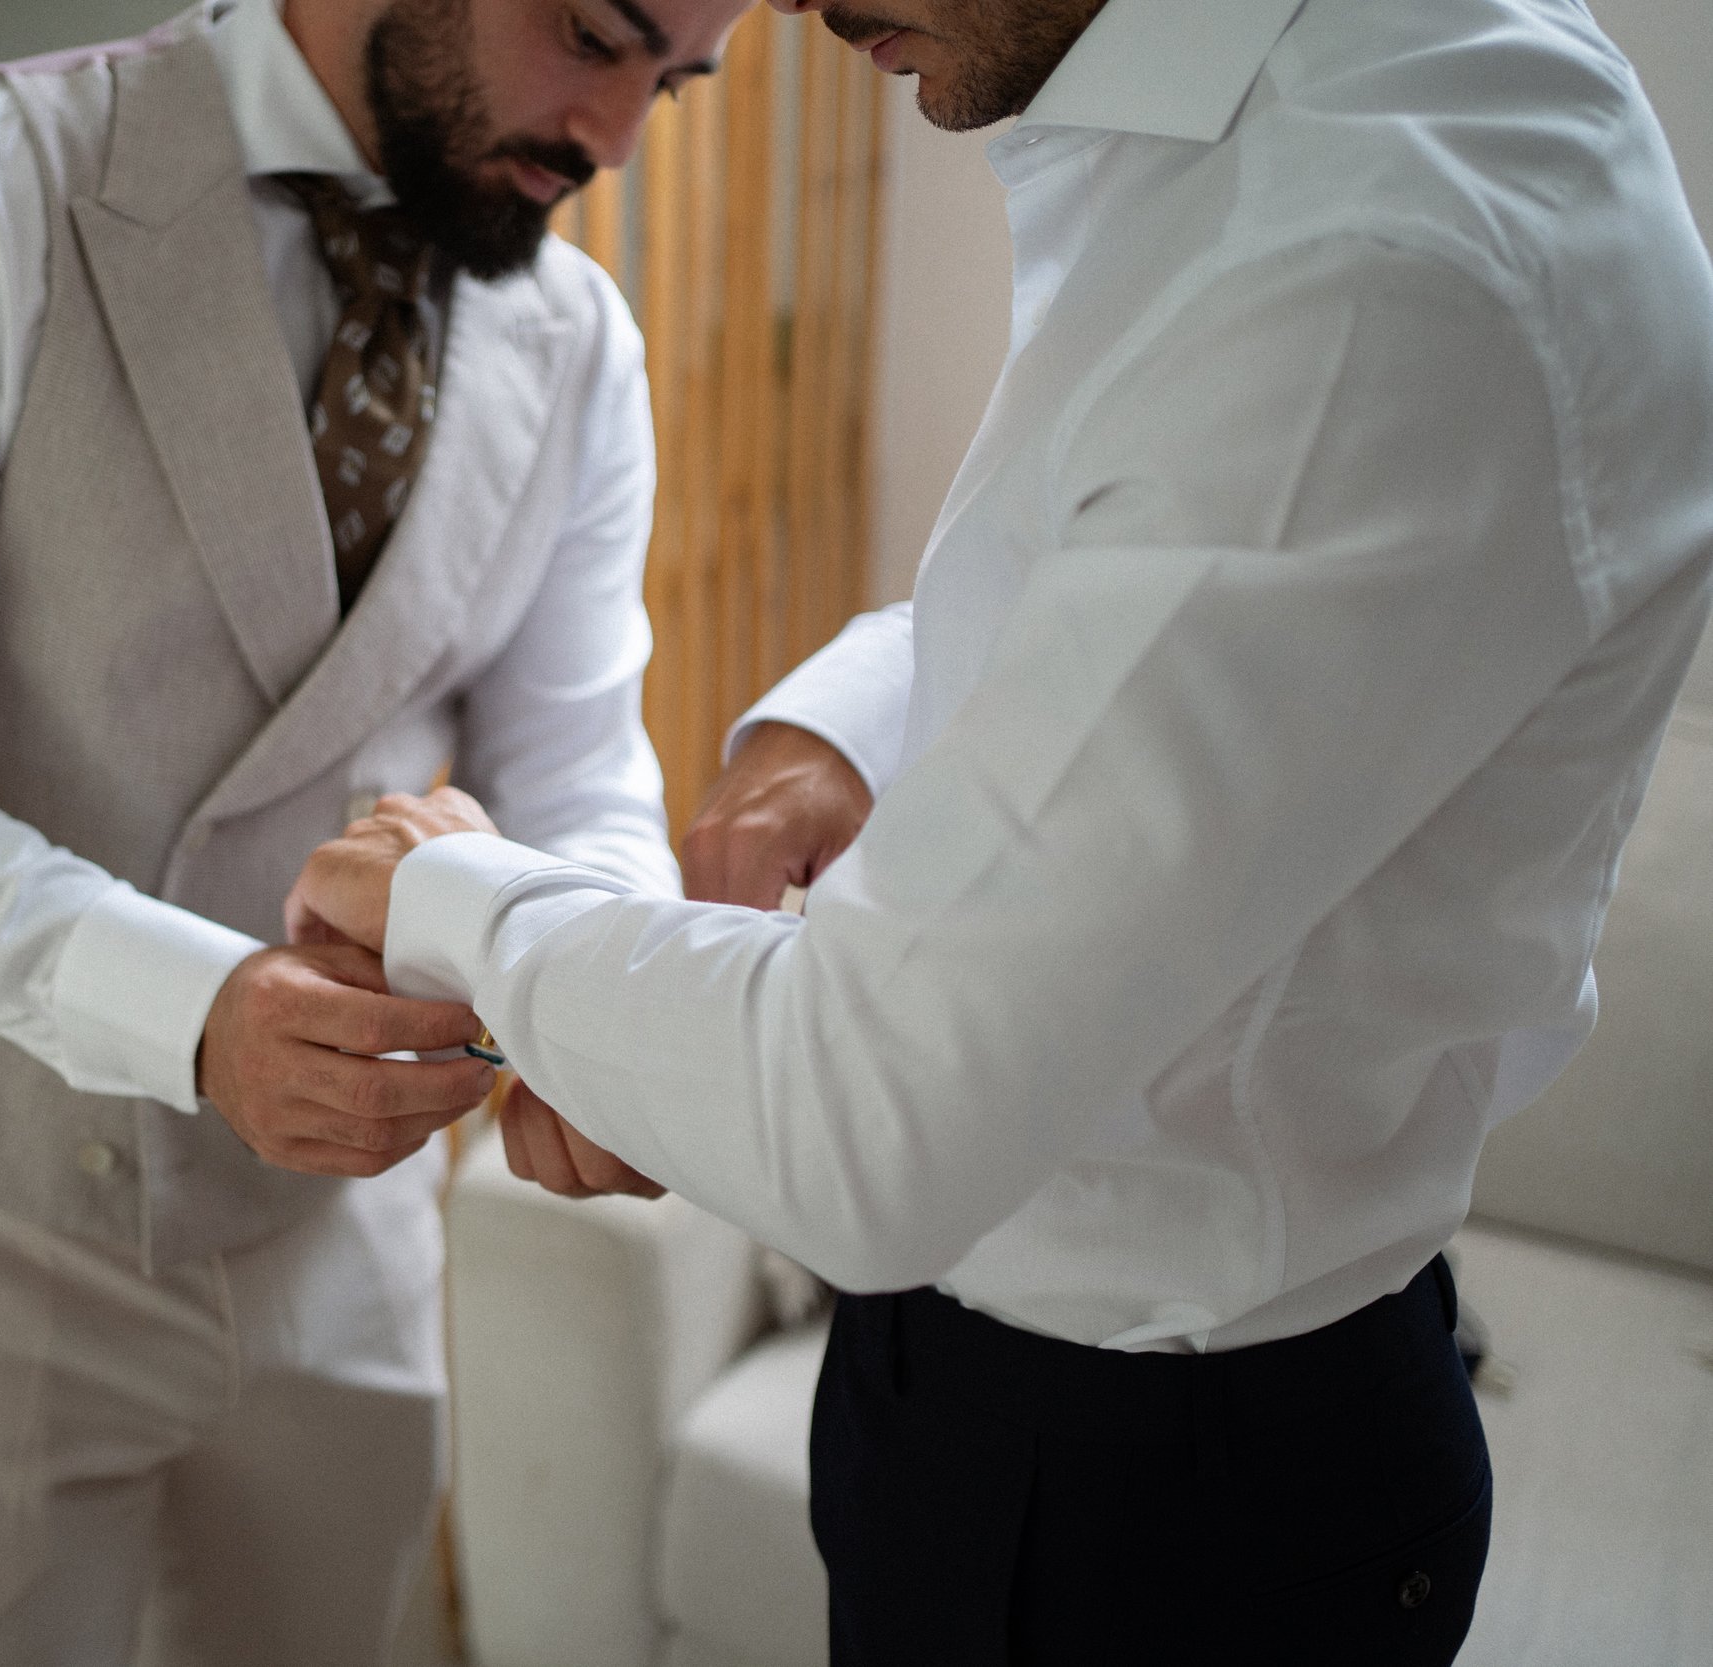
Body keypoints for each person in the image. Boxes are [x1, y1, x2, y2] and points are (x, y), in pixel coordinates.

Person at [286, 0, 1713, 1659]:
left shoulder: (1387, 249)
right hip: (1006, 1404)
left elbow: (868, 1120)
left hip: (1164, 1514)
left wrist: (456, 897)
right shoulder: (1314, 110)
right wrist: (844, 724)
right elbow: (1143, 563)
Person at [0, 0, 748, 1659]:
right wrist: (189, 1013)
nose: (613, 138)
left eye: (671, 84)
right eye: (591, 36)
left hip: (349, 1224)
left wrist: (601, 1000)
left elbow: (575, 758)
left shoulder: (579, 346)